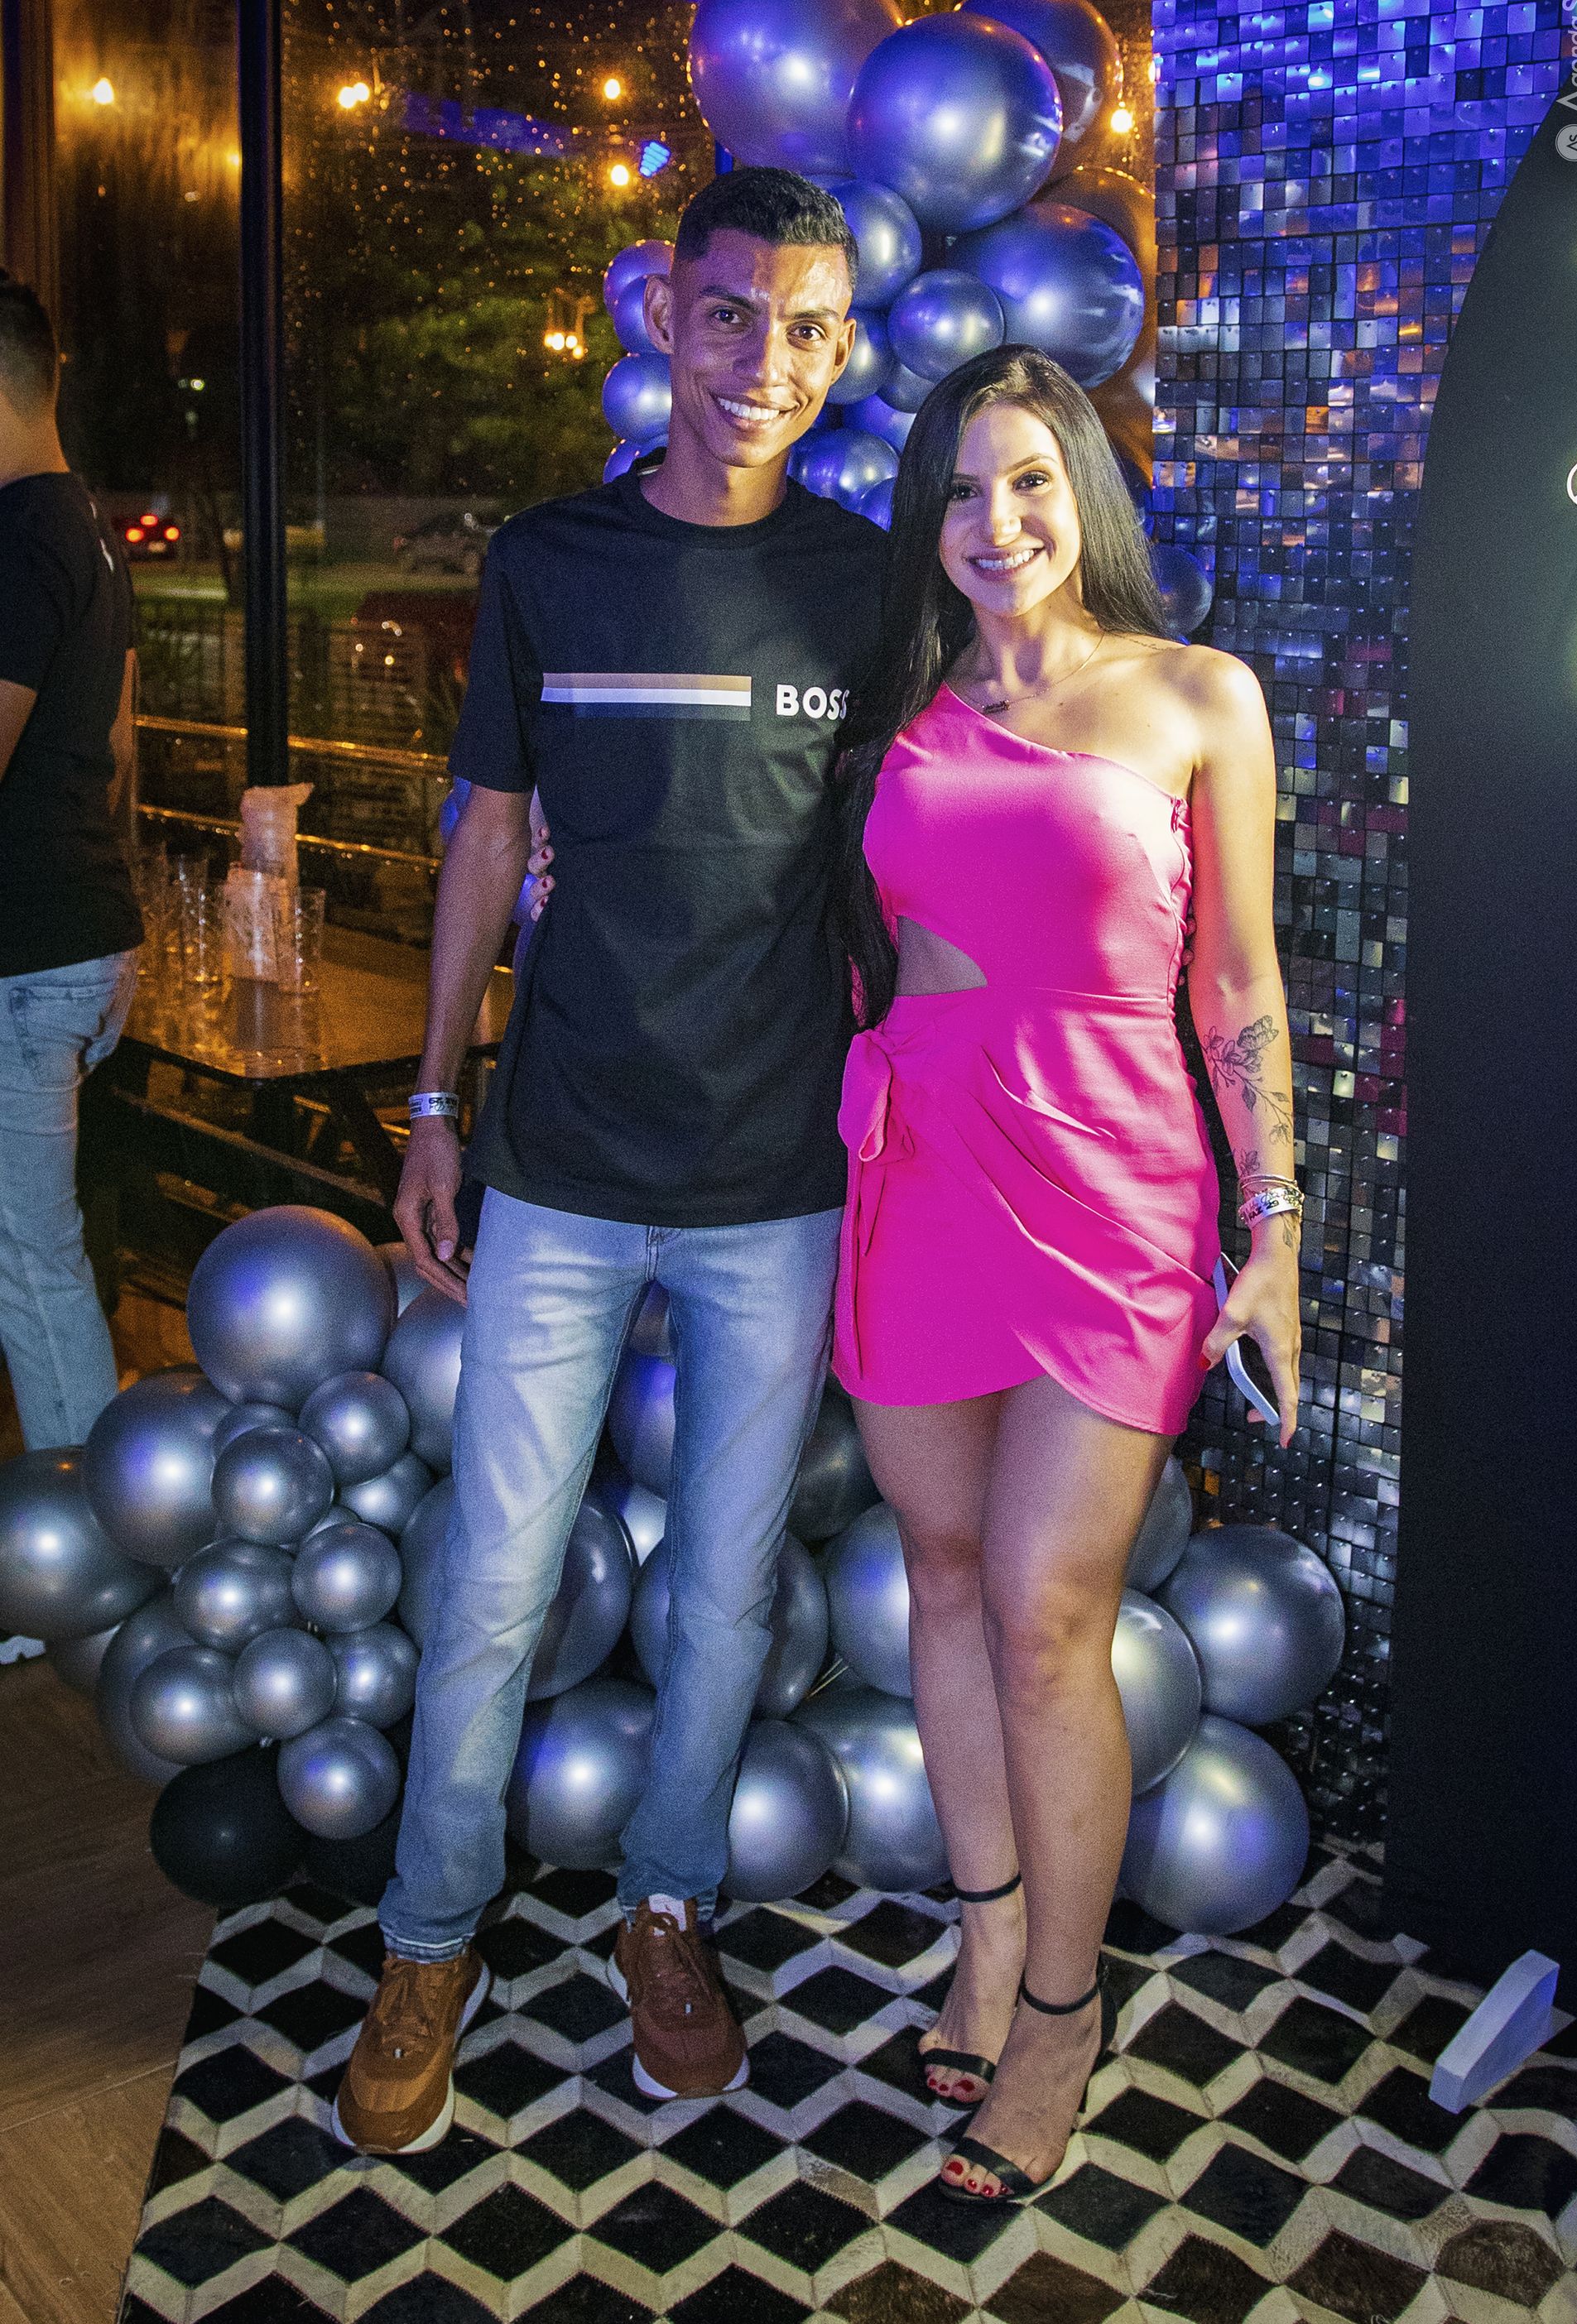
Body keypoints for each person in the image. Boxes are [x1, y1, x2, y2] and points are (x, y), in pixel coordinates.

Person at [334, 169, 887, 2156]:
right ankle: (429, 1940)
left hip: (777, 1177)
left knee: (723, 1597)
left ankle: (668, 1908)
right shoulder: (547, 562)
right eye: (733, 315)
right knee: (490, 1582)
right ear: (665, 315)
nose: (767, 362)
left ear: (842, 344)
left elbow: (903, 855)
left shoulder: (866, 586)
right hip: (560, 1158)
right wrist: (429, 1103)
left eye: (808, 328)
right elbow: (488, 836)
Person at [833, 345, 1302, 2206]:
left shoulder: (1196, 694)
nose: (996, 519)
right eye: (960, 489)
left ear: (1084, 490)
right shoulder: (893, 699)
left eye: (1029, 478)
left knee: (1044, 1607)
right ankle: (987, 1923)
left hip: (1117, 1188)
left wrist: (1274, 1228)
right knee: (946, 1575)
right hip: (923, 1168)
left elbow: (1240, 982)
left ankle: (1059, 2009)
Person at [0, 272, 142, 1448]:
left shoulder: (15, 539)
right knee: (38, 1252)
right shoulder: (87, 525)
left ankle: (93, 1532)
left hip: (25, 952)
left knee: (32, 1262)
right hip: (79, 936)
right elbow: (119, 748)